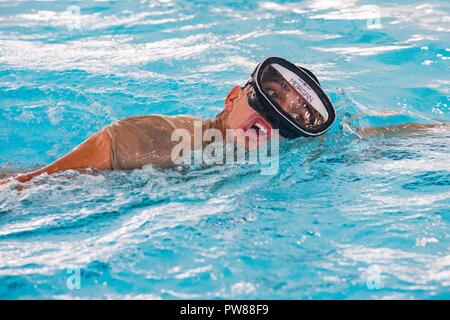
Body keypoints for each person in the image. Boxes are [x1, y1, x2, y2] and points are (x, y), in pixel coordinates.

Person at [0, 57, 444, 185]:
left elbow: (372, 141)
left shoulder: (293, 155)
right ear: (232, 99)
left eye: (292, 119)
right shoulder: (157, 139)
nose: (273, 118)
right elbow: (29, 186)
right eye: (267, 97)